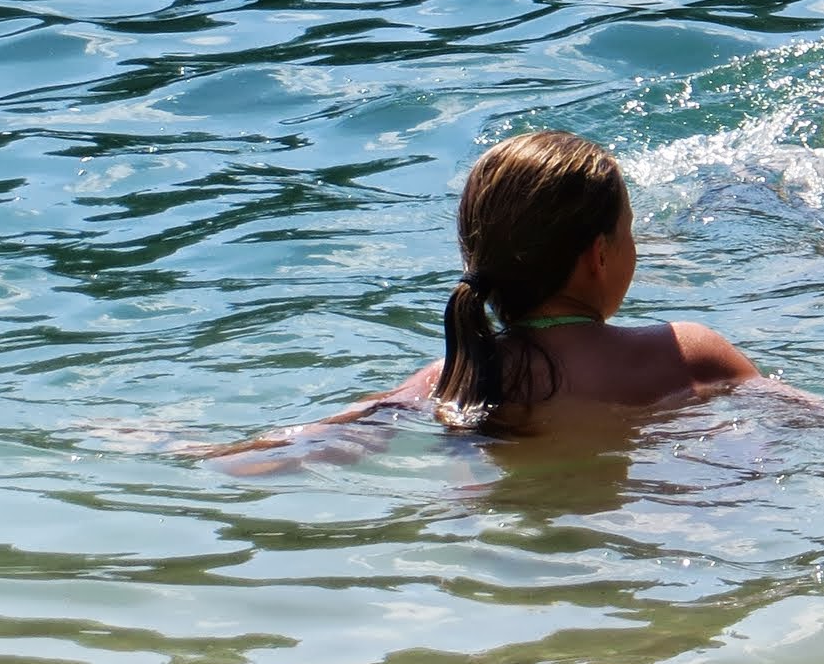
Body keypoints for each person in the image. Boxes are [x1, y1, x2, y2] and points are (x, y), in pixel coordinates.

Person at [206, 131, 763, 459]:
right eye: (631, 231)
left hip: (502, 552)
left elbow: (317, 441)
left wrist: (198, 451)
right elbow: (802, 421)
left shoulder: (456, 375)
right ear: (599, 254)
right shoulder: (685, 352)